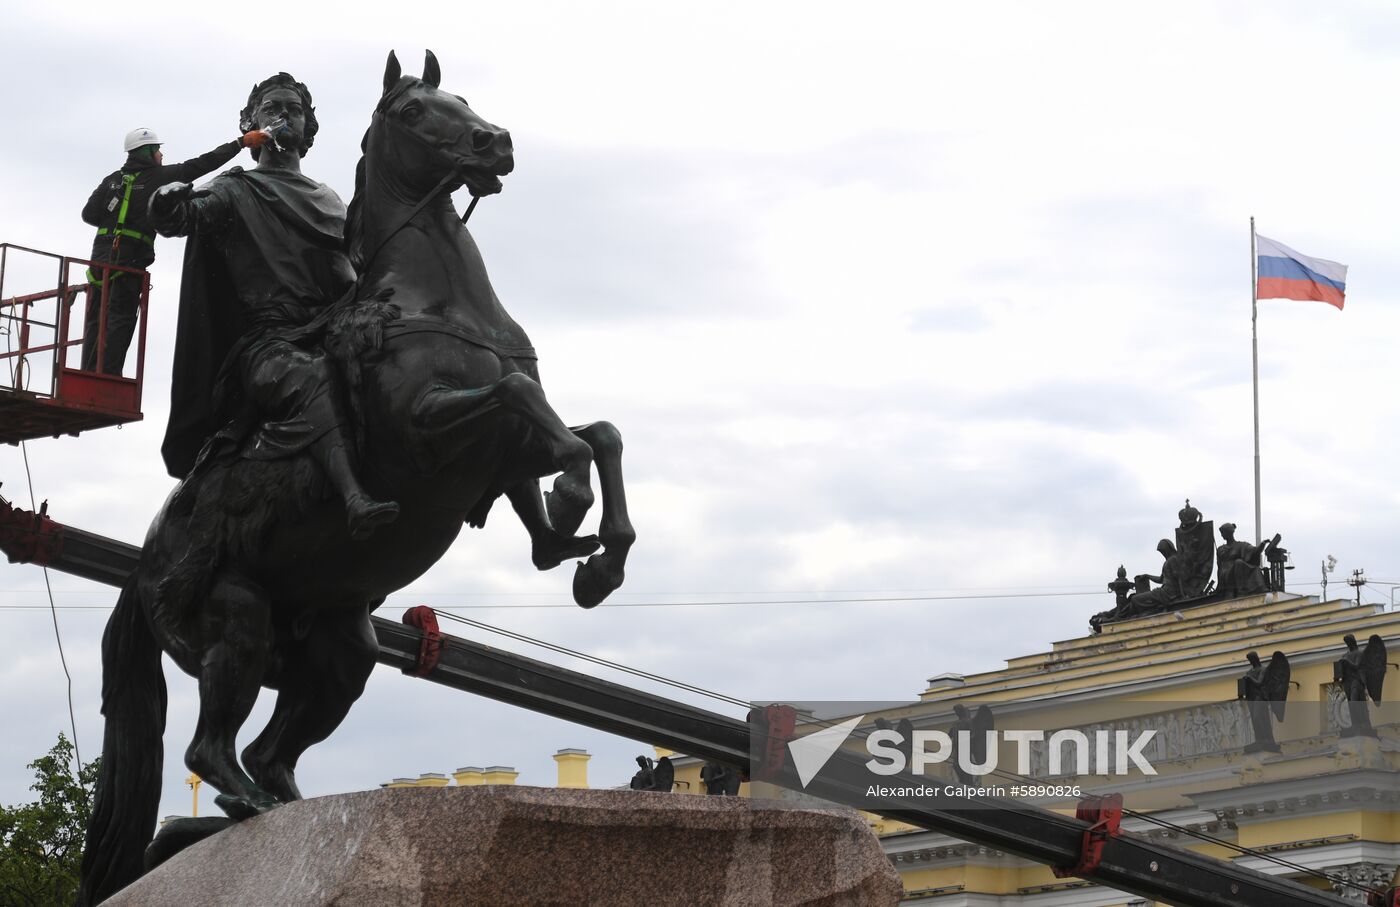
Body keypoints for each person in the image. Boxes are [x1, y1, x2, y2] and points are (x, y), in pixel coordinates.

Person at [149, 72, 398, 540]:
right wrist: (169, 203)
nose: (285, 115)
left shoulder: (333, 200)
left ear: (309, 128)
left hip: (332, 331)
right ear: (252, 124)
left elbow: (361, 271)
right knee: (312, 377)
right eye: (272, 108)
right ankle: (354, 498)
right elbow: (185, 216)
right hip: (270, 344)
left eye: (295, 109)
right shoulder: (234, 189)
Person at [80, 126, 268, 374]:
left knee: (95, 318)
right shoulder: (160, 177)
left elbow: (89, 214)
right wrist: (240, 143)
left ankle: (88, 373)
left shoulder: (112, 180)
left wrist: (115, 222)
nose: (161, 156)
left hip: (99, 260)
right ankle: (107, 376)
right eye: (158, 150)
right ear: (148, 151)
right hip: (129, 261)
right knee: (119, 318)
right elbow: (202, 164)